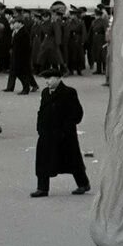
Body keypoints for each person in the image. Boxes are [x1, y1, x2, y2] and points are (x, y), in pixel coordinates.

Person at [30, 67, 90, 198]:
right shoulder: (45, 93)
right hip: (47, 132)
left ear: (58, 78)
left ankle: (83, 184)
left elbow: (77, 113)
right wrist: (39, 127)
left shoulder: (69, 92)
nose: (47, 82)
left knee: (72, 159)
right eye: (45, 79)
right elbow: (41, 111)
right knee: (43, 159)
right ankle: (42, 188)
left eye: (50, 79)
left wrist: (67, 128)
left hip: (65, 134)